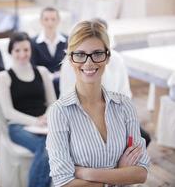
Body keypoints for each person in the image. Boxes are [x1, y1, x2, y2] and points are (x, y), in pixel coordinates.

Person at [46, 20, 150, 187]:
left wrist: (85, 172)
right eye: (80, 54)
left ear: (107, 57)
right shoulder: (59, 112)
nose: (89, 63)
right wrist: (117, 174)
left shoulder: (124, 106)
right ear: (71, 59)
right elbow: (63, 182)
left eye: (97, 53)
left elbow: (141, 172)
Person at [59, 18, 151, 148]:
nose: (89, 62)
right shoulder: (70, 64)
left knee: (143, 139)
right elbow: (66, 99)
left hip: (116, 118)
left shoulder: (117, 60)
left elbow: (125, 96)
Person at [0, 32, 56, 187]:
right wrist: (36, 121)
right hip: (18, 126)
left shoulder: (42, 72)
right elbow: (8, 112)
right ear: (11, 52)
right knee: (46, 147)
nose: (22, 54)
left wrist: (45, 118)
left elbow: (53, 103)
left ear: (31, 50)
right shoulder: (4, 77)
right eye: (17, 50)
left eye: (26, 50)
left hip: (45, 125)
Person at [31, 7, 67, 97]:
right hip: (42, 84)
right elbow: (33, 66)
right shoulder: (33, 42)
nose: (50, 23)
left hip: (63, 82)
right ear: (41, 21)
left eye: (53, 19)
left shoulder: (67, 40)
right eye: (46, 19)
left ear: (58, 21)